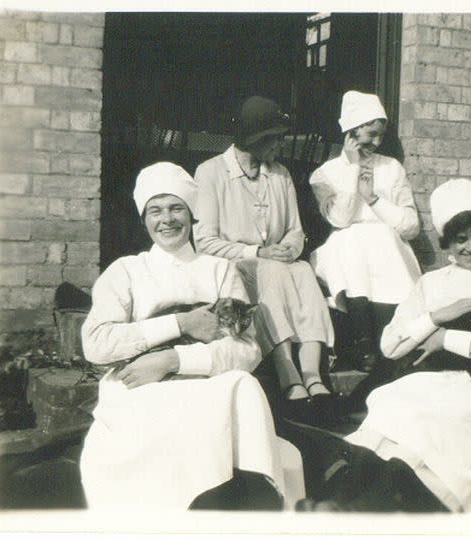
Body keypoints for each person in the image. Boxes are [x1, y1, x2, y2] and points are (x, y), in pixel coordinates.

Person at [79, 162, 305, 511]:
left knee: (243, 387)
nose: (166, 219)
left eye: (176, 208)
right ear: (144, 218)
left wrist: (176, 359)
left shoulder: (219, 269)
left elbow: (246, 349)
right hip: (142, 385)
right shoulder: (126, 270)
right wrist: (180, 325)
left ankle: (252, 503)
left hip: (205, 379)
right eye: (155, 210)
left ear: (191, 214)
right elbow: (96, 344)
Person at [300, 179, 471, 512]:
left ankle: (366, 506)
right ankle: (338, 502)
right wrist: (438, 316)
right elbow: (391, 346)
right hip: (430, 378)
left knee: (425, 421)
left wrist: (445, 339)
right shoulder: (431, 283)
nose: (469, 248)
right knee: (392, 404)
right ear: (447, 242)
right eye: (460, 239)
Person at [194, 96, 335, 416]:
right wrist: (257, 251)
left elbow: (295, 230)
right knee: (271, 270)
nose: (281, 147)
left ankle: (312, 374)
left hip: (277, 264)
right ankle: (288, 373)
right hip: (235, 265)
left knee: (301, 271)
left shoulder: (281, 175)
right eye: (276, 139)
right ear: (256, 139)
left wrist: (290, 248)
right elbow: (204, 241)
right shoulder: (211, 173)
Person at [309, 90, 421, 372]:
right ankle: (363, 340)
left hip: (388, 248)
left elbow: (411, 225)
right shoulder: (324, 173)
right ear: (352, 130)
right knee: (350, 239)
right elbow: (340, 219)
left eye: (381, 135)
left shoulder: (392, 168)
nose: (377, 142)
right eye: (371, 133)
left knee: (376, 238)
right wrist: (352, 172)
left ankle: (388, 340)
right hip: (346, 248)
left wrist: (373, 200)